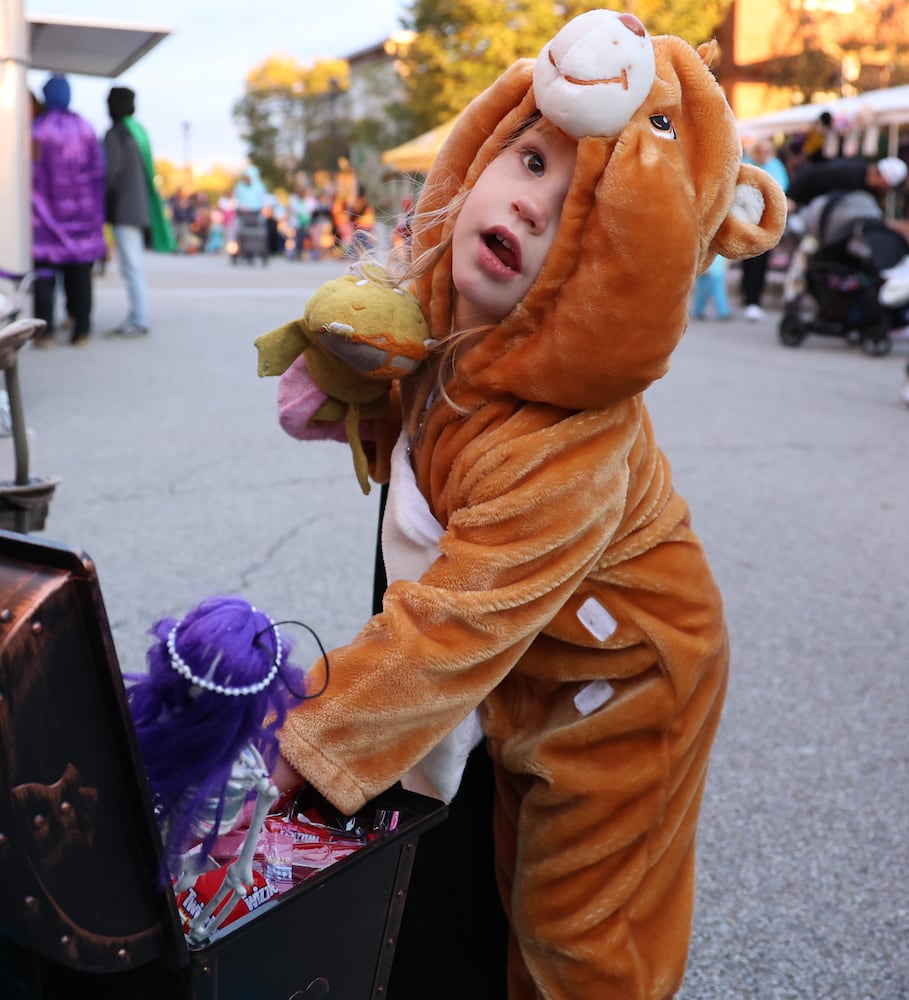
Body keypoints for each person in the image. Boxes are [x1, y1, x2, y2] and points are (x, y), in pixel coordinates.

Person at [264, 10, 786, 999]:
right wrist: (360, 396)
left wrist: (306, 735)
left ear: (621, 284)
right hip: (525, 649)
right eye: (533, 160)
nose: (534, 207)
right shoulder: (452, 324)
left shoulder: (565, 448)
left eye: (588, 223)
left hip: (621, 680)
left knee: (578, 927)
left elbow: (449, 628)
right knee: (486, 871)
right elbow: (432, 452)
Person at [30, 75, 106, 347]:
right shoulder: (85, 127)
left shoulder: (37, 129)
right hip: (83, 220)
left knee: (44, 276)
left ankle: (45, 333)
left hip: (44, 220)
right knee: (80, 276)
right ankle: (81, 330)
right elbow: (99, 172)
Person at [103, 86, 175, 338]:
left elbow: (110, 174)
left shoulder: (116, 134)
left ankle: (138, 318)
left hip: (123, 209)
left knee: (131, 265)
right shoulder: (138, 132)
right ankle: (138, 316)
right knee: (134, 264)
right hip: (141, 207)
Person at [741, 138, 790, 321]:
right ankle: (749, 298)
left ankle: (754, 299)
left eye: (766, 151)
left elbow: (781, 190)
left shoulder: (775, 166)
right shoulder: (747, 164)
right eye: (760, 151)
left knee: (761, 260)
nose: (763, 155)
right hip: (747, 220)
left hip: (766, 221)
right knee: (748, 260)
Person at [691, 253, 732, 320]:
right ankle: (723, 312)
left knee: (707, 292)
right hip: (712, 271)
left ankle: (723, 312)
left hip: (716, 271)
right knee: (708, 293)